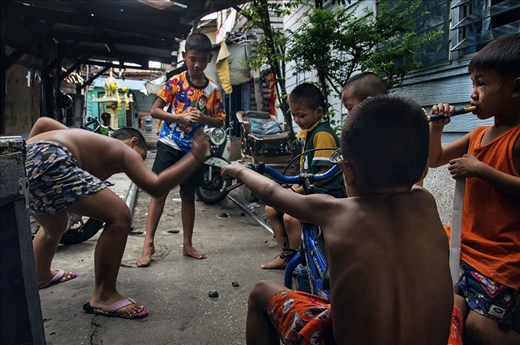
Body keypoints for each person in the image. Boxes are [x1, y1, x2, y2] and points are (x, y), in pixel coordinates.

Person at [222, 95, 454, 344]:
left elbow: (272, 193)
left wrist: (239, 170)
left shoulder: (334, 212)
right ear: (422, 171)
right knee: (459, 302)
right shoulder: (425, 202)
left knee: (261, 292)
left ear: (348, 171)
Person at [26, 116, 209, 319]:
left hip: (26, 157)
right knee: (119, 214)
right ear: (133, 142)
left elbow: (42, 122)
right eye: (139, 158)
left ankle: (40, 275)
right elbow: (156, 187)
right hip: (52, 158)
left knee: (56, 225)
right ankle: (104, 295)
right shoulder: (122, 150)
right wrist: (194, 156)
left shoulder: (89, 142)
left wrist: (31, 158)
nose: (132, 167)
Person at [428, 35, 520, 345]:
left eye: (482, 83)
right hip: (466, 246)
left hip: (502, 256)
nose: (473, 93)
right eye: (472, 82)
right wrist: (436, 127)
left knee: (481, 328)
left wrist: (482, 171)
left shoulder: (517, 140)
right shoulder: (478, 134)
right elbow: (435, 159)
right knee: (449, 309)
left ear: (516, 88)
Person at [137, 33, 225, 266]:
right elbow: (155, 111)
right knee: (159, 192)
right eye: (192, 59)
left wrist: (202, 117)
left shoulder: (213, 91)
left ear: (209, 59)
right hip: (169, 144)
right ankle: (148, 244)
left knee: (188, 195)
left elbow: (220, 121)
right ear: (185, 56)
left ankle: (187, 244)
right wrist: (179, 117)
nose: (197, 64)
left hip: (193, 151)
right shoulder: (175, 82)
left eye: (202, 60)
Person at [261, 83, 346, 269]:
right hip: (311, 191)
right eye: (294, 115)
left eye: (302, 115)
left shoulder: (322, 135)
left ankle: (300, 263)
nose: (297, 119)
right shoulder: (308, 133)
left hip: (326, 193)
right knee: (271, 208)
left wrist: (295, 189)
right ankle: (286, 255)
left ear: (318, 112)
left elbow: (323, 175)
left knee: (290, 217)